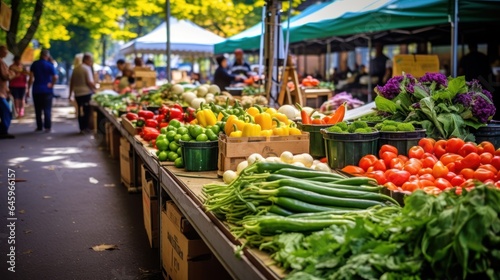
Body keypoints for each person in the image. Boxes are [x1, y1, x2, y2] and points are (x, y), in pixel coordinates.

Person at [28, 49, 58, 133]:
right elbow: (55, 77)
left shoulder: (34, 64)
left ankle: (39, 126)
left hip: (36, 89)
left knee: (38, 109)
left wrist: (28, 89)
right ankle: (47, 127)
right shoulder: (49, 65)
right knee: (47, 109)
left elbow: (31, 78)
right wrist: (52, 84)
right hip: (47, 90)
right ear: (47, 56)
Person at [69, 53, 96, 134]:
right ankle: (86, 127)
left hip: (77, 93)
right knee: (86, 111)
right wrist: (94, 89)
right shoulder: (87, 68)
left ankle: (81, 127)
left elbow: (72, 82)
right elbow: (89, 82)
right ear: (87, 60)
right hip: (86, 93)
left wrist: (70, 94)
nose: (91, 62)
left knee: (80, 111)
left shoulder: (76, 69)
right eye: (91, 60)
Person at [0, 45, 16, 139]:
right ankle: (3, 131)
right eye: (5, 51)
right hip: (0, 93)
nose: (6, 53)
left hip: (3, 91)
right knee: (6, 111)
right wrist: (12, 73)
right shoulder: (1, 62)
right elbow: (5, 76)